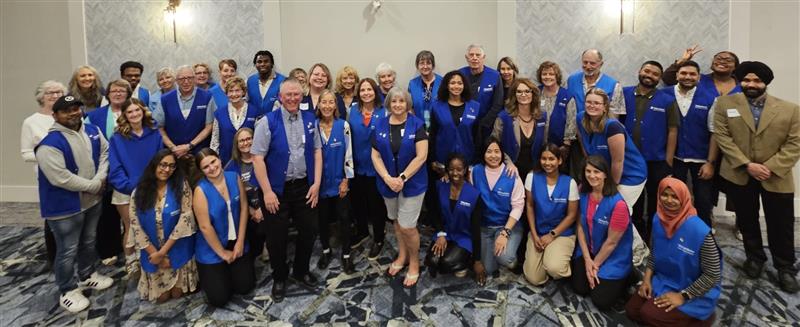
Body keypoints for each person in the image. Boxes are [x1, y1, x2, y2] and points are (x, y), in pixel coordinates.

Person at [712, 61, 800, 293]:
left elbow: (795, 144)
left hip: (776, 176)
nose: (751, 84)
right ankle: (755, 258)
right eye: (747, 80)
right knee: (746, 219)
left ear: (766, 83)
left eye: (757, 80)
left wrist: (768, 167)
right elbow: (722, 136)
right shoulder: (724, 103)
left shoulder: (790, 109)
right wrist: (747, 164)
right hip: (739, 173)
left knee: (781, 223)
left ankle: (785, 267)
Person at [36, 95, 114, 313]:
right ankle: (67, 290)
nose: (73, 113)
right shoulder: (49, 144)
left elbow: (105, 154)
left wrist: (99, 179)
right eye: (66, 110)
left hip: (92, 201)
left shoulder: (92, 131)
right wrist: (93, 185)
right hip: (64, 207)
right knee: (67, 249)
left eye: (76, 108)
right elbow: (59, 177)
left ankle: (87, 275)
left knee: (89, 241)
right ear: (55, 115)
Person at [252, 79, 322, 302]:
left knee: (309, 231)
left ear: (301, 97)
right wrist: (267, 192)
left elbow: (318, 152)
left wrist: (317, 184)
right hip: (276, 191)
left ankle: (301, 271)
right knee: (276, 238)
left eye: (296, 94)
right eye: (288, 95)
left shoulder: (311, 120)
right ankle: (280, 277)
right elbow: (257, 158)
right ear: (280, 97)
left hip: (304, 187)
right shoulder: (267, 122)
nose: (293, 98)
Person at [626, 177, 721, 326]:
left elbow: (713, 274)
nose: (669, 200)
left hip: (692, 290)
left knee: (648, 314)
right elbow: (654, 254)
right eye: (665, 194)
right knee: (632, 310)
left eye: (675, 196)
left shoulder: (699, 231)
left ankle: (702, 319)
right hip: (666, 281)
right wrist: (646, 280)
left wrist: (683, 296)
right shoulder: (658, 219)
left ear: (684, 198)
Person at [577, 87, 648, 265]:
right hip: (602, 173)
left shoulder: (612, 126)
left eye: (596, 103)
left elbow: (618, 162)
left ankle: (639, 248)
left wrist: (612, 187)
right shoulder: (580, 118)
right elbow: (586, 149)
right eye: (589, 102)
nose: (592, 106)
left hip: (629, 175)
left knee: (619, 209)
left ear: (605, 106)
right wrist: (588, 177)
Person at [372, 87, 428, 288]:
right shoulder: (379, 124)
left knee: (407, 226)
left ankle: (414, 263)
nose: (397, 105)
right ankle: (402, 255)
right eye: (393, 101)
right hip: (388, 184)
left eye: (401, 101)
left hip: (412, 184)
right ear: (388, 104)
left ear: (407, 104)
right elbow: (375, 155)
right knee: (396, 221)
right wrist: (388, 178)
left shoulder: (417, 125)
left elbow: (421, 156)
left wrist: (402, 177)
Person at [127, 149, 198, 302]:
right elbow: (135, 226)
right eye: (163, 165)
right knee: (162, 298)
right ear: (154, 165)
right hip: (152, 251)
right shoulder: (139, 191)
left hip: (176, 247)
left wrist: (164, 252)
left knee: (177, 295)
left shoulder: (181, 186)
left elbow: (185, 219)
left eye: (172, 166)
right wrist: (157, 255)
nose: (167, 170)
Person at [653, 61, 717, 229]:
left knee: (703, 201)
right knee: (671, 198)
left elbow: (715, 132)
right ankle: (674, 231)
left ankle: (703, 236)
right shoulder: (663, 95)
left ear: (699, 77)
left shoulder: (710, 98)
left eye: (692, 74)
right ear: (677, 75)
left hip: (701, 159)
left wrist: (710, 162)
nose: (688, 77)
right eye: (684, 73)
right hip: (673, 158)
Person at [622, 60, 679, 243]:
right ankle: (636, 235)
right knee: (635, 201)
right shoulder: (624, 94)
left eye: (655, 74)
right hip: (629, 161)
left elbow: (672, 130)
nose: (649, 75)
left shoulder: (667, 100)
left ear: (659, 78)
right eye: (647, 71)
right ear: (639, 71)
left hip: (657, 160)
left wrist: (668, 162)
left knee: (656, 199)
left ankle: (653, 237)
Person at [108, 98, 163, 275]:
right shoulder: (117, 138)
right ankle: (131, 259)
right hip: (126, 191)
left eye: (137, 110)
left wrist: (154, 184)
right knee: (131, 226)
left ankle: (150, 258)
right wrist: (132, 186)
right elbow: (115, 168)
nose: (134, 114)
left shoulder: (154, 133)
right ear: (124, 115)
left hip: (153, 188)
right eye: (129, 112)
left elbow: (161, 161)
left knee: (151, 225)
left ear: (143, 111)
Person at [193, 148, 255, 306]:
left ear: (219, 159)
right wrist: (223, 253)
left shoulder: (234, 177)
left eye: (213, 162)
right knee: (220, 299)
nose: (212, 168)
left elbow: (243, 207)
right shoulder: (200, 191)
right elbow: (205, 227)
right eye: (206, 167)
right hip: (212, 247)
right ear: (202, 171)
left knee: (245, 287)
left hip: (235, 241)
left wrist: (240, 241)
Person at [572, 155, 633, 311]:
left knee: (600, 299)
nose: (592, 175)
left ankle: (628, 276)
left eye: (597, 172)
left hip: (612, 255)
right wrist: (587, 260)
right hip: (590, 249)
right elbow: (580, 226)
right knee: (580, 288)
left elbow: (612, 242)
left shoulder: (618, 204)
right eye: (588, 171)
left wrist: (595, 265)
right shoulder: (583, 191)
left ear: (606, 174)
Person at [85, 79, 132, 265]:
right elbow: (86, 141)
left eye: (122, 91)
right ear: (108, 94)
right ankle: (109, 249)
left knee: (130, 213)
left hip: (130, 170)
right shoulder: (95, 116)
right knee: (107, 213)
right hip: (105, 170)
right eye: (114, 90)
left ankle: (132, 247)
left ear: (128, 94)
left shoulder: (136, 112)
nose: (118, 93)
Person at [21, 80, 66, 267]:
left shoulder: (66, 117)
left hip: (73, 175)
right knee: (54, 218)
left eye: (58, 92)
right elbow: (26, 153)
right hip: (48, 178)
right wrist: (49, 157)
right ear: (42, 96)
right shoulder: (31, 122)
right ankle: (55, 257)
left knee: (73, 217)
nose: (54, 96)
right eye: (50, 93)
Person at [522, 144, 578, 286]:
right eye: (544, 159)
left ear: (559, 161)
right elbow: (529, 206)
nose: (547, 163)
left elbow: (572, 215)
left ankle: (555, 259)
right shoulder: (532, 177)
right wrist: (534, 235)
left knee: (555, 268)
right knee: (534, 278)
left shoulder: (570, 183)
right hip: (538, 232)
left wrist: (552, 235)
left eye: (552, 159)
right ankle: (548, 258)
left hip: (561, 233)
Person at [425, 153, 485, 284]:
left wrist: (477, 261)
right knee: (432, 261)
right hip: (445, 233)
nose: (455, 173)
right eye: (451, 169)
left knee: (447, 263)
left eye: (459, 169)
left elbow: (475, 229)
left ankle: (465, 261)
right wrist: (440, 234)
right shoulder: (440, 187)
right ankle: (450, 254)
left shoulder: (474, 195)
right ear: (446, 170)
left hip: (464, 236)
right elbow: (434, 213)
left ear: (465, 170)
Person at [470, 137, 525, 277]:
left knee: (504, 258)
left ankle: (510, 259)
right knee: (488, 269)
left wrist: (505, 233)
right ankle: (496, 254)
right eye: (489, 151)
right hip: (485, 227)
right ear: (483, 153)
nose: (493, 156)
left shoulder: (512, 174)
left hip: (507, 225)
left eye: (497, 151)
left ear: (502, 154)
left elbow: (518, 207)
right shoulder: (475, 172)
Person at [349, 78, 389, 259]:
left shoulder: (384, 111)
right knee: (358, 203)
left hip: (377, 167)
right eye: (363, 90)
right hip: (357, 166)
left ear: (376, 91)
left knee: (376, 205)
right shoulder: (353, 111)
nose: (366, 93)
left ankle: (379, 238)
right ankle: (362, 231)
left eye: (369, 89)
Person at [316, 90, 356, 273]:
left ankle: (346, 255)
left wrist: (346, 180)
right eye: (323, 102)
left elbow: (349, 155)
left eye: (330, 102)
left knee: (345, 219)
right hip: (319, 185)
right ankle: (326, 250)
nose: (327, 106)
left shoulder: (344, 126)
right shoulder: (313, 127)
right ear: (318, 105)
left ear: (335, 105)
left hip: (339, 182)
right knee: (322, 220)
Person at [224, 128, 267, 262]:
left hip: (267, 205)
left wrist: (262, 209)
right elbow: (230, 196)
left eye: (249, 139)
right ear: (236, 145)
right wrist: (251, 211)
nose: (245, 143)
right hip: (245, 210)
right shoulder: (231, 167)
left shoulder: (264, 158)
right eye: (241, 141)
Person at [155, 65, 215, 157]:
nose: (186, 82)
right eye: (182, 79)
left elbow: (209, 126)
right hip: (174, 154)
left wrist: (190, 146)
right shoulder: (165, 99)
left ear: (194, 78)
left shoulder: (207, 96)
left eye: (189, 78)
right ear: (176, 81)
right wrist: (173, 148)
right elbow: (159, 127)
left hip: (200, 154)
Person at [492, 78, 547, 178]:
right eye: (519, 91)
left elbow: (544, 144)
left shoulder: (542, 117)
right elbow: (494, 145)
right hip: (510, 171)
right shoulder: (503, 117)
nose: (523, 94)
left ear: (533, 94)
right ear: (514, 95)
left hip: (535, 171)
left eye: (527, 91)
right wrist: (508, 163)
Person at [430, 71, 480, 169]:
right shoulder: (436, 106)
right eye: (452, 83)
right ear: (446, 86)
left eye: (460, 83)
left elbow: (477, 136)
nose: (456, 86)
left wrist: (476, 161)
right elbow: (433, 134)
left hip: (467, 160)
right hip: (443, 160)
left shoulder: (474, 107)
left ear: (464, 85)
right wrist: (432, 159)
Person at [536, 61, 578, 177]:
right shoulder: (535, 93)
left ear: (557, 76)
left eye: (551, 74)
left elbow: (572, 121)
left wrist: (566, 145)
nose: (547, 77)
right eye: (544, 74)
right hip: (537, 144)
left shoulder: (567, 96)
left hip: (559, 147)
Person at [210, 76, 258, 165]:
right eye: (230, 91)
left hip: (250, 160)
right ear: (226, 93)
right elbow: (215, 141)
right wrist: (215, 160)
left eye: (237, 90)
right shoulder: (219, 113)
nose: (234, 94)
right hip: (226, 160)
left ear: (243, 92)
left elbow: (258, 138)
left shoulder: (254, 111)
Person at [458, 44, 503, 137]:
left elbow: (498, 103)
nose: (474, 58)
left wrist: (484, 123)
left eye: (478, 55)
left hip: (486, 126)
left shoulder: (494, 76)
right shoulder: (459, 74)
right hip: (463, 125)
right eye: (471, 55)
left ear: (483, 57)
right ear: (466, 58)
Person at [663, 46, 742, 98]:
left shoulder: (742, 85)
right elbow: (668, 78)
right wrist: (683, 60)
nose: (722, 62)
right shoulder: (698, 79)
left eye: (728, 60)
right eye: (718, 59)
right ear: (712, 63)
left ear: (735, 66)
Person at [566, 49, 624, 116]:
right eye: (585, 62)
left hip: (601, 126)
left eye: (592, 63)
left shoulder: (614, 85)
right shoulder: (571, 80)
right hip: (575, 125)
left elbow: (614, 116)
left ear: (601, 64)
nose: (588, 66)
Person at [408, 50, 443, 130]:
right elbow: (410, 107)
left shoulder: (442, 82)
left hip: (439, 127)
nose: (425, 66)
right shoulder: (412, 84)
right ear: (417, 66)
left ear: (433, 66)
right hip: (418, 127)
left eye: (428, 63)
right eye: (422, 63)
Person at [247, 50, 286, 115]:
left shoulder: (282, 81)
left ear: (272, 64)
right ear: (255, 65)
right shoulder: (250, 81)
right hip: (254, 121)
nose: (262, 64)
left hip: (275, 121)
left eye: (266, 61)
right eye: (259, 62)